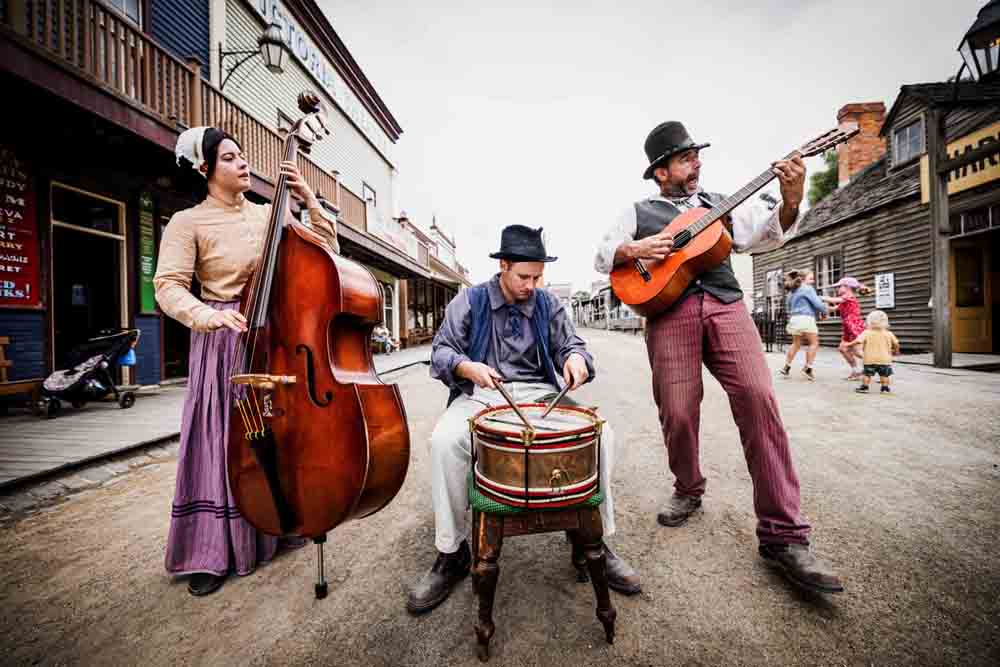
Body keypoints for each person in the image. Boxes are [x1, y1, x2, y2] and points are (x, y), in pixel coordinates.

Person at [595, 121, 843, 594]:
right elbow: (603, 254)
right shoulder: (637, 210)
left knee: (758, 398)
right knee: (679, 410)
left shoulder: (719, 204)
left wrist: (791, 199)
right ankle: (688, 488)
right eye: (686, 158)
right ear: (661, 172)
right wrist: (634, 247)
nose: (697, 164)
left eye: (697, 156)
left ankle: (783, 535)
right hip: (669, 311)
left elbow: (767, 234)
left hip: (727, 305)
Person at [406, 224, 640, 614]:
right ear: (503, 265)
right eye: (523, 276)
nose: (531, 285)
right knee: (444, 443)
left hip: (539, 395)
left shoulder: (549, 304)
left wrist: (576, 360)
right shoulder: (470, 300)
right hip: (482, 393)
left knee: (603, 436)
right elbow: (441, 351)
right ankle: (452, 553)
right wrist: (466, 366)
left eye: (537, 277)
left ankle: (594, 541)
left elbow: (573, 344)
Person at [154, 126, 339, 597]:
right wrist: (205, 317)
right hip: (221, 337)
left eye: (242, 156)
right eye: (231, 158)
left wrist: (307, 201)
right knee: (223, 436)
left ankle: (276, 520)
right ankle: (209, 551)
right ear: (205, 169)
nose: (244, 164)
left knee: (275, 430)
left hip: (271, 333)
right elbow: (168, 285)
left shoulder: (267, 215)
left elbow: (328, 250)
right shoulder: (187, 222)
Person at [779, 270, 827, 381]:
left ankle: (786, 367)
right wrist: (824, 312)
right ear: (802, 279)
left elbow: (789, 306)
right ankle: (808, 369)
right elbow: (818, 304)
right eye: (811, 278)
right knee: (814, 343)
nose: (813, 281)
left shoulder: (791, 292)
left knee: (796, 344)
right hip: (806, 318)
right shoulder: (807, 289)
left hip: (794, 319)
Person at [822, 277, 869, 380]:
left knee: (857, 351)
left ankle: (878, 364)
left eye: (839, 287)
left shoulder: (849, 295)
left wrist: (818, 297)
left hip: (854, 325)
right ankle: (856, 371)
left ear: (847, 287)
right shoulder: (844, 300)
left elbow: (833, 300)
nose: (837, 289)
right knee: (843, 349)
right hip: (848, 326)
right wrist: (820, 307)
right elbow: (833, 308)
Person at [850, 310, 900, 395]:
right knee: (884, 375)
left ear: (869, 321)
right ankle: (885, 388)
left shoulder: (866, 333)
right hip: (885, 360)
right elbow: (896, 343)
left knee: (867, 374)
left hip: (869, 359)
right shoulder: (889, 333)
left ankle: (865, 387)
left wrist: (849, 344)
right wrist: (896, 351)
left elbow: (858, 341)